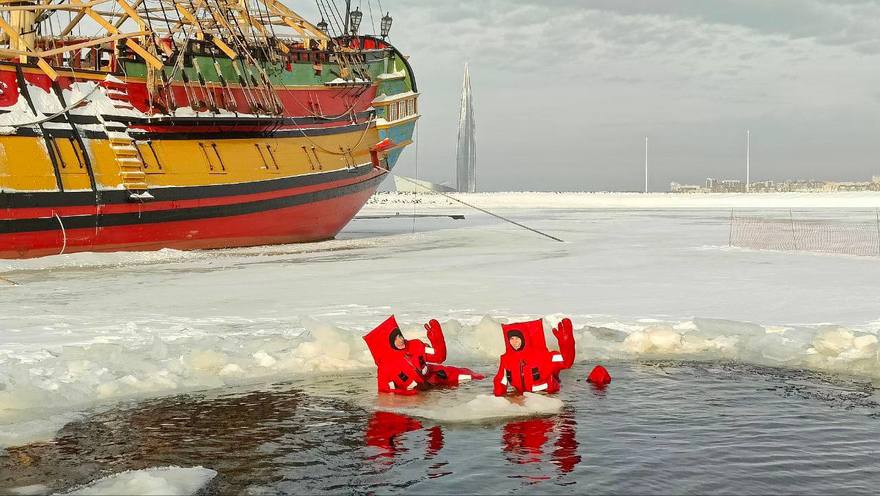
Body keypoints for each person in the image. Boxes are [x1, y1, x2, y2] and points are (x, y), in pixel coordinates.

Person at [364, 315, 484, 395]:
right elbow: (385, 391)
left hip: (432, 376)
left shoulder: (416, 346)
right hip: (415, 391)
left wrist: (436, 338)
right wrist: (411, 394)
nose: (401, 339)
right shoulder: (386, 366)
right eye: (396, 339)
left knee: (471, 377)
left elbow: (439, 357)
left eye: (400, 335)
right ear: (390, 343)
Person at [493, 318, 575, 396]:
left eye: (517, 338)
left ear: (524, 338)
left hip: (547, 396)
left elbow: (566, 362)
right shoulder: (506, 359)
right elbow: (501, 381)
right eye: (511, 338)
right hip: (522, 396)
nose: (514, 342)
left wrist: (567, 344)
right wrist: (498, 398)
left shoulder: (543, 356)